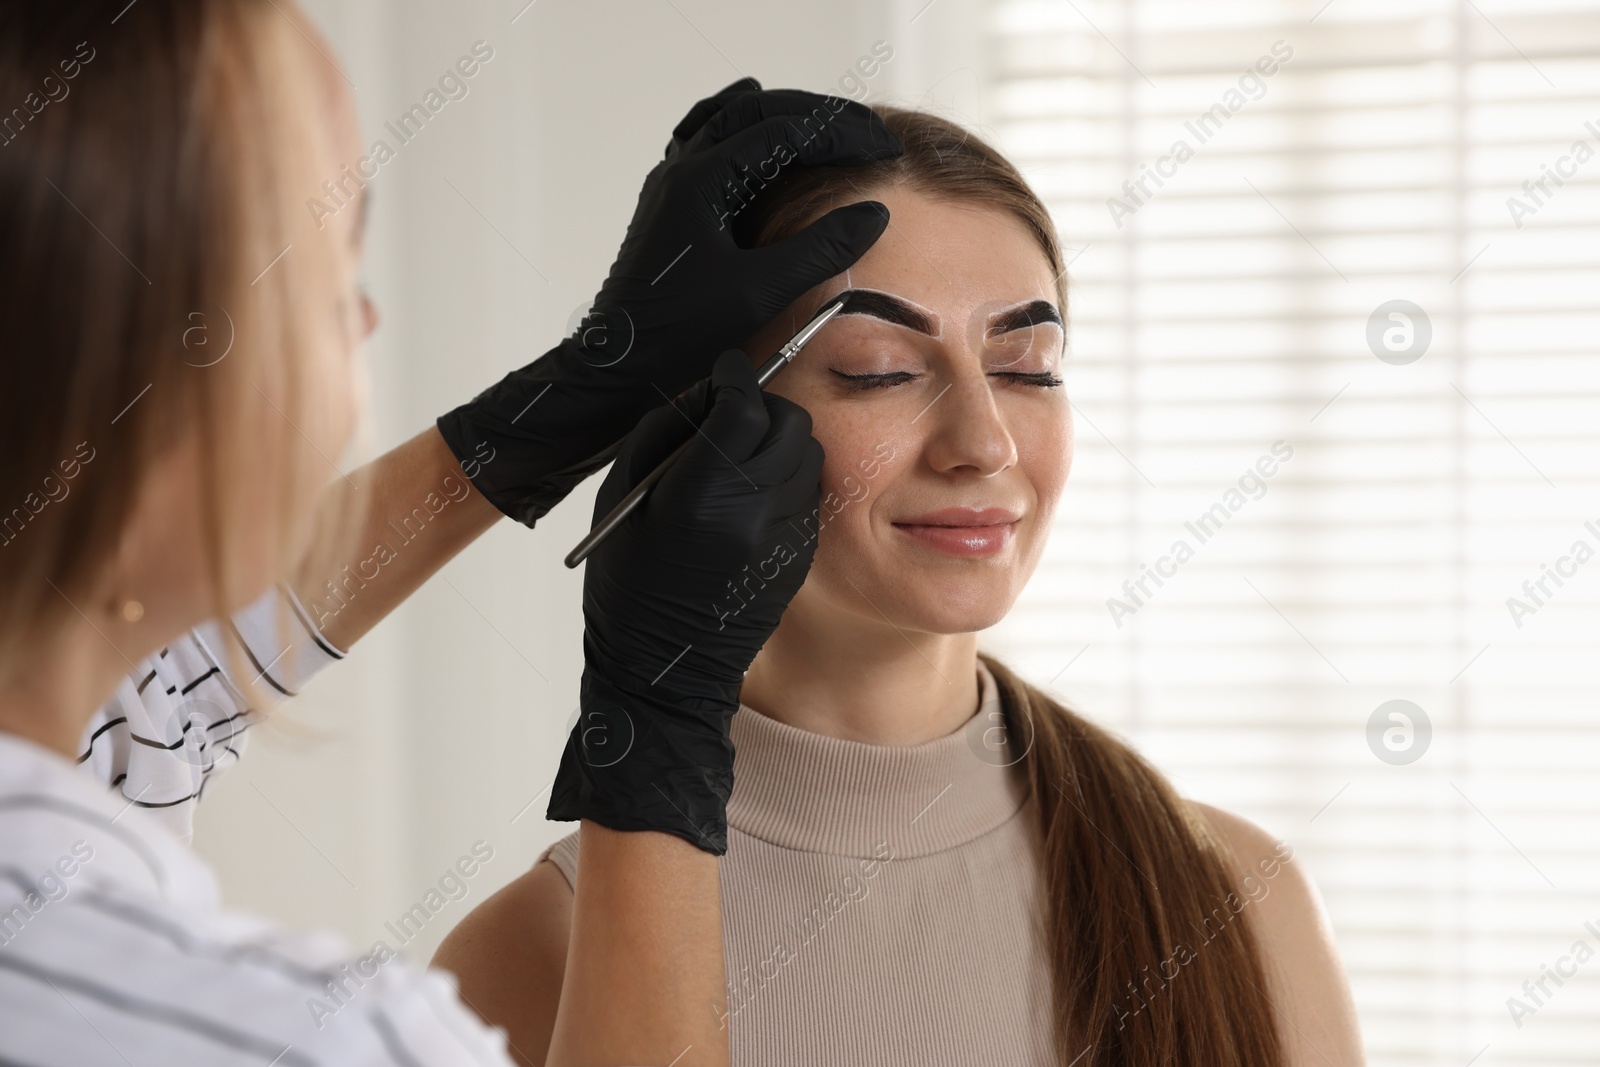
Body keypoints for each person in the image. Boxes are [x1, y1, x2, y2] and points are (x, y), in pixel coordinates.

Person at [0, 2, 899, 1064]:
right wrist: (655, 727)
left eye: (1030, 365)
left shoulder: (76, 698)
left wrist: (577, 390)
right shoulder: (304, 1038)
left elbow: (157, 665)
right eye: (338, 266)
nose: (368, 319)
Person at [435, 107, 1369, 1066]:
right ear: (705, 422)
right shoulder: (530, 949)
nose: (984, 442)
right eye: (879, 371)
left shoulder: (1237, 900)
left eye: (1026, 368)